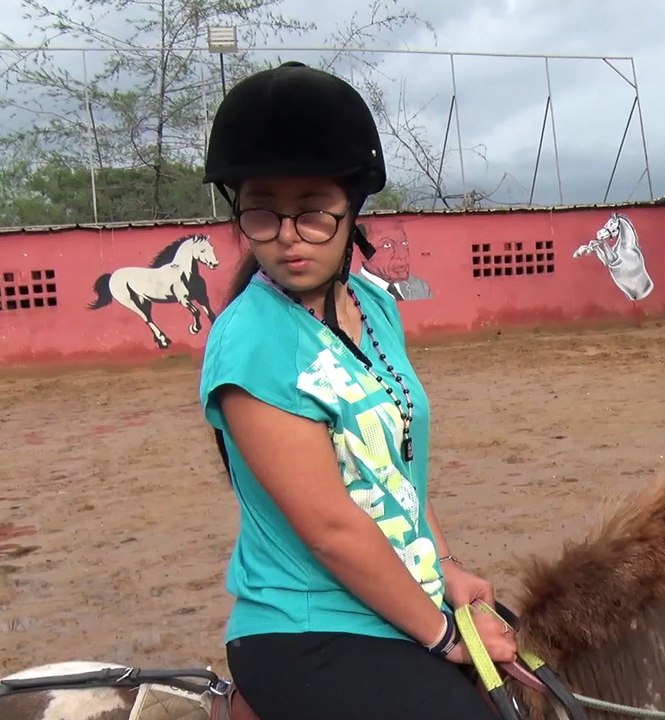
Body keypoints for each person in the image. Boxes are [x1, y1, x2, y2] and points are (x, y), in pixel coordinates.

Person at [197, 61, 516, 720]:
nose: (286, 237)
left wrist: (445, 566)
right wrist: (445, 633)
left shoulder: (374, 306)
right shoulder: (252, 340)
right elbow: (331, 528)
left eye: (312, 213)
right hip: (305, 626)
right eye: (263, 211)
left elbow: (395, 472)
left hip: (396, 593)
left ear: (352, 210)